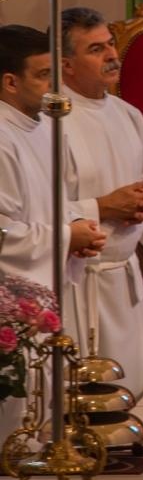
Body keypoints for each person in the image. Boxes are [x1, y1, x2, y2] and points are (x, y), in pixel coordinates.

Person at [0, 25, 106, 436]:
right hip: (14, 294)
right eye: (43, 75)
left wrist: (74, 227)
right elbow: (4, 232)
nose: (53, 87)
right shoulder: (3, 138)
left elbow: (49, 201)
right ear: (11, 82)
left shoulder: (39, 126)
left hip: (41, 283)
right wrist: (65, 236)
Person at [58, 7, 143, 397]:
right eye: (96, 49)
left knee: (131, 389)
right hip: (77, 279)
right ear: (66, 64)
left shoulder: (128, 114)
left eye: (111, 44)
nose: (111, 56)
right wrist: (102, 208)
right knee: (82, 397)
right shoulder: (52, 121)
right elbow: (38, 206)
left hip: (122, 272)